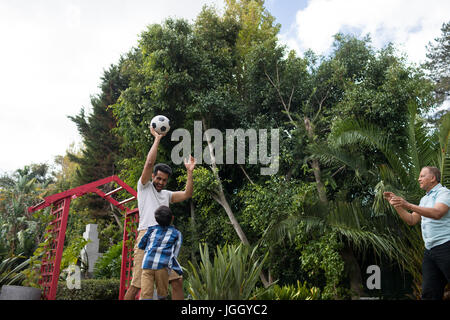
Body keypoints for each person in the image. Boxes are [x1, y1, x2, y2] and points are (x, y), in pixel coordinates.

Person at [124, 127, 196, 300]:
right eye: (158, 178)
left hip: (164, 240)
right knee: (136, 285)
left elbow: (187, 194)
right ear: (153, 176)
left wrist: (190, 172)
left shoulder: (167, 195)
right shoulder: (144, 187)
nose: (161, 182)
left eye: (164, 180)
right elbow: (149, 164)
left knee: (177, 281)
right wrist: (157, 138)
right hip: (146, 237)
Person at [384, 166, 450, 300]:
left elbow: (437, 213)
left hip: (446, 247)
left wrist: (407, 204)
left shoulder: (444, 193)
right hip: (430, 251)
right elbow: (412, 220)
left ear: (432, 178)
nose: (419, 179)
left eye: (422, 176)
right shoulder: (424, 200)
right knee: (429, 294)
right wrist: (397, 205)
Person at [138, 205, 182, 300]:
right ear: (172, 218)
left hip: (147, 265)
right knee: (162, 294)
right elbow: (175, 254)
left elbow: (141, 245)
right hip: (162, 266)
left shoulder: (151, 229)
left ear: (156, 219)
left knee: (146, 294)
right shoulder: (177, 233)